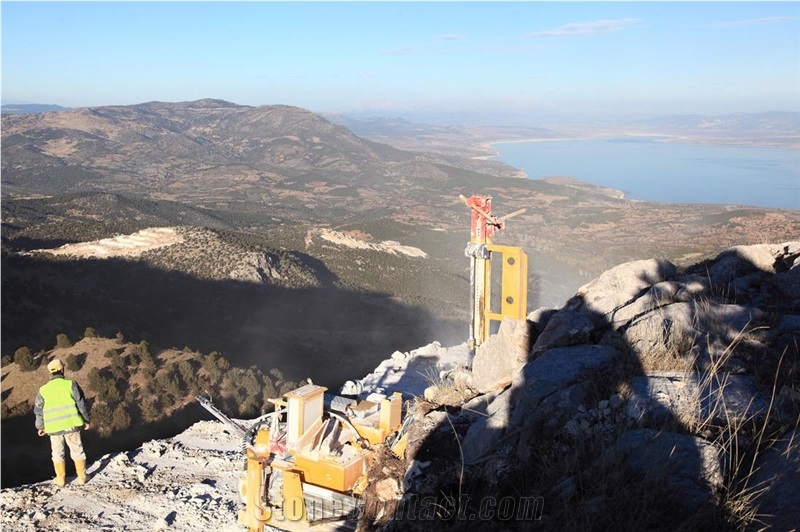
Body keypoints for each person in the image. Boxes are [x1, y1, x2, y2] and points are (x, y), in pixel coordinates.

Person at [34, 358, 92, 486]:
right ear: (62, 370)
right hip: (71, 424)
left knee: (57, 453)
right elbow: (81, 404)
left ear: (50, 372)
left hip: (53, 428)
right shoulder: (71, 384)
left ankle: (60, 480)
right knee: (77, 450)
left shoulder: (43, 390)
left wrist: (40, 426)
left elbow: (38, 409)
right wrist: (86, 420)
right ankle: (82, 477)